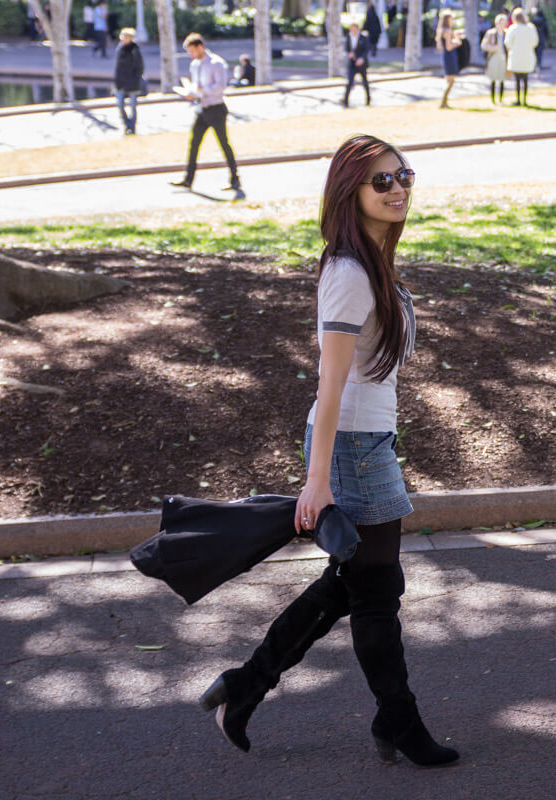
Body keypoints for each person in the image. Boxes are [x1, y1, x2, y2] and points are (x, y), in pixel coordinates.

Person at [197, 133, 459, 769]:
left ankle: (248, 684)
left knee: (356, 584)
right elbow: (331, 383)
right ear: (351, 193)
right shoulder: (347, 273)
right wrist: (319, 480)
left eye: (404, 177)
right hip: (353, 448)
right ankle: (398, 722)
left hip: (368, 442)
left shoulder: (369, 263)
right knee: (375, 592)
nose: (398, 189)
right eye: (382, 182)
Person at [170, 33, 242, 198]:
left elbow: (220, 86)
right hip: (202, 108)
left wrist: (204, 91)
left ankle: (235, 179)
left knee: (224, 144)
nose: (191, 55)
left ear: (200, 47)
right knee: (194, 143)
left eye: (192, 51)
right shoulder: (194, 65)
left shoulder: (217, 63)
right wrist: (192, 93)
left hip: (216, 108)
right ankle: (188, 178)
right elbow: (196, 86)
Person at [113, 28, 144, 135]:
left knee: (133, 107)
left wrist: (135, 78)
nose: (124, 39)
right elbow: (117, 67)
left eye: (126, 37)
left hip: (133, 83)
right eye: (123, 37)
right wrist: (116, 81)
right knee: (120, 105)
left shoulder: (135, 50)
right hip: (121, 82)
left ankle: (132, 127)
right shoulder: (119, 49)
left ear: (131, 38)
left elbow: (140, 67)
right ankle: (127, 124)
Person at [504, 8, 537, 107]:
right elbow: (535, 42)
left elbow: (507, 43)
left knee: (517, 79)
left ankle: (518, 99)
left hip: (516, 57)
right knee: (525, 79)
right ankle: (524, 99)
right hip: (527, 57)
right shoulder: (530, 28)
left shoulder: (513, 28)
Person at [434, 11, 461, 110]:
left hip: (446, 55)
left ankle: (444, 102)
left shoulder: (442, 30)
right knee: (451, 80)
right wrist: (457, 43)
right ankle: (443, 101)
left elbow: (441, 46)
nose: (452, 21)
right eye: (451, 19)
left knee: (450, 80)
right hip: (450, 55)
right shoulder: (448, 30)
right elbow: (449, 47)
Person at [342, 22, 371, 107]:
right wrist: (349, 54)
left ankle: (368, 98)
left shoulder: (364, 37)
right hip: (352, 63)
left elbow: (366, 49)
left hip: (361, 63)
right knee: (350, 82)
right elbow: (347, 48)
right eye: (351, 28)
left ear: (357, 29)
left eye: (353, 28)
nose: (352, 30)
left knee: (365, 81)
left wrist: (361, 59)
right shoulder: (348, 37)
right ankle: (345, 100)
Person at [481, 13, 507, 105]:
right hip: (493, 57)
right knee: (493, 79)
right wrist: (493, 47)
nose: (502, 25)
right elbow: (484, 45)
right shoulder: (491, 33)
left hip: (504, 59)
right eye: (500, 23)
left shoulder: (506, 33)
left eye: (504, 23)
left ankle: (500, 99)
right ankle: (493, 99)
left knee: (502, 79)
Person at [530, 6, 549, 73]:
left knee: (534, 53)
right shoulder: (544, 21)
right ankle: (539, 65)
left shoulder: (533, 21)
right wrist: (546, 38)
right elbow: (546, 30)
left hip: (534, 39)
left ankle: (534, 66)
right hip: (541, 39)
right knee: (540, 53)